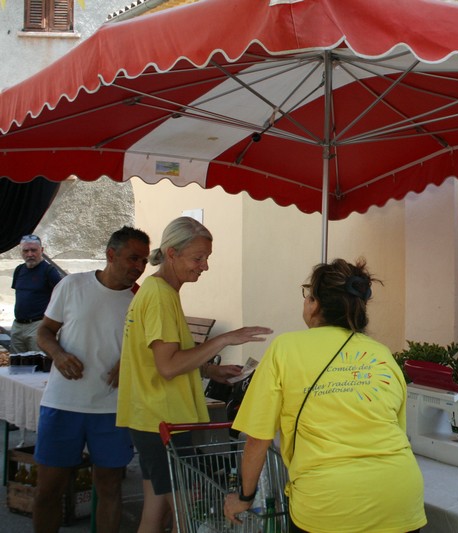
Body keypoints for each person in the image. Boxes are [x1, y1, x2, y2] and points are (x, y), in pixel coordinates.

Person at [223, 258, 427, 533]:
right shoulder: (381, 354)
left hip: (326, 503)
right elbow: (396, 428)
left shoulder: (285, 348)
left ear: (315, 304)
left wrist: (245, 497)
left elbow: (258, 440)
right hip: (400, 497)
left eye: (307, 295)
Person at [116, 216, 273, 533]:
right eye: (198, 258)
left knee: (155, 512)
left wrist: (210, 370)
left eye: (207, 258)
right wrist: (224, 340)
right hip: (162, 420)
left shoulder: (159, 290)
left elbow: (159, 358)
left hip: (149, 417)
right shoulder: (160, 295)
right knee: (185, 515)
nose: (204, 266)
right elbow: (168, 366)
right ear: (172, 253)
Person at [32, 226, 150, 533]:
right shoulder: (72, 285)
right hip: (63, 404)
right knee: (48, 490)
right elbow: (44, 331)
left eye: (144, 261)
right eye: (133, 258)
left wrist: (130, 362)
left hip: (113, 408)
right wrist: (58, 354)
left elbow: (152, 347)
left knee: (110, 488)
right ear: (111, 254)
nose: (139, 267)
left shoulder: (142, 298)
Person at [10, 234, 63, 353]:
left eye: (33, 250)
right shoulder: (19, 270)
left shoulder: (49, 271)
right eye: (26, 251)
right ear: (21, 252)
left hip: (38, 326)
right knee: (17, 362)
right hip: (18, 326)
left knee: (38, 361)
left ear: (41, 250)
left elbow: (62, 297)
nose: (30, 254)